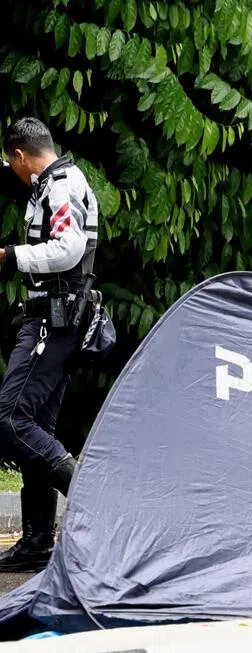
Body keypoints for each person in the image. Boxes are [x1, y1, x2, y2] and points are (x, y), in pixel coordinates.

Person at [0, 117, 99, 571]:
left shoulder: (61, 185)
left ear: (22, 156)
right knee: (35, 422)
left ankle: (95, 501)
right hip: (53, 317)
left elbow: (68, 248)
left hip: (55, 319)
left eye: (12, 163)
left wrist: (10, 256)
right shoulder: (53, 182)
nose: (13, 172)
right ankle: (38, 541)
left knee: (10, 418)